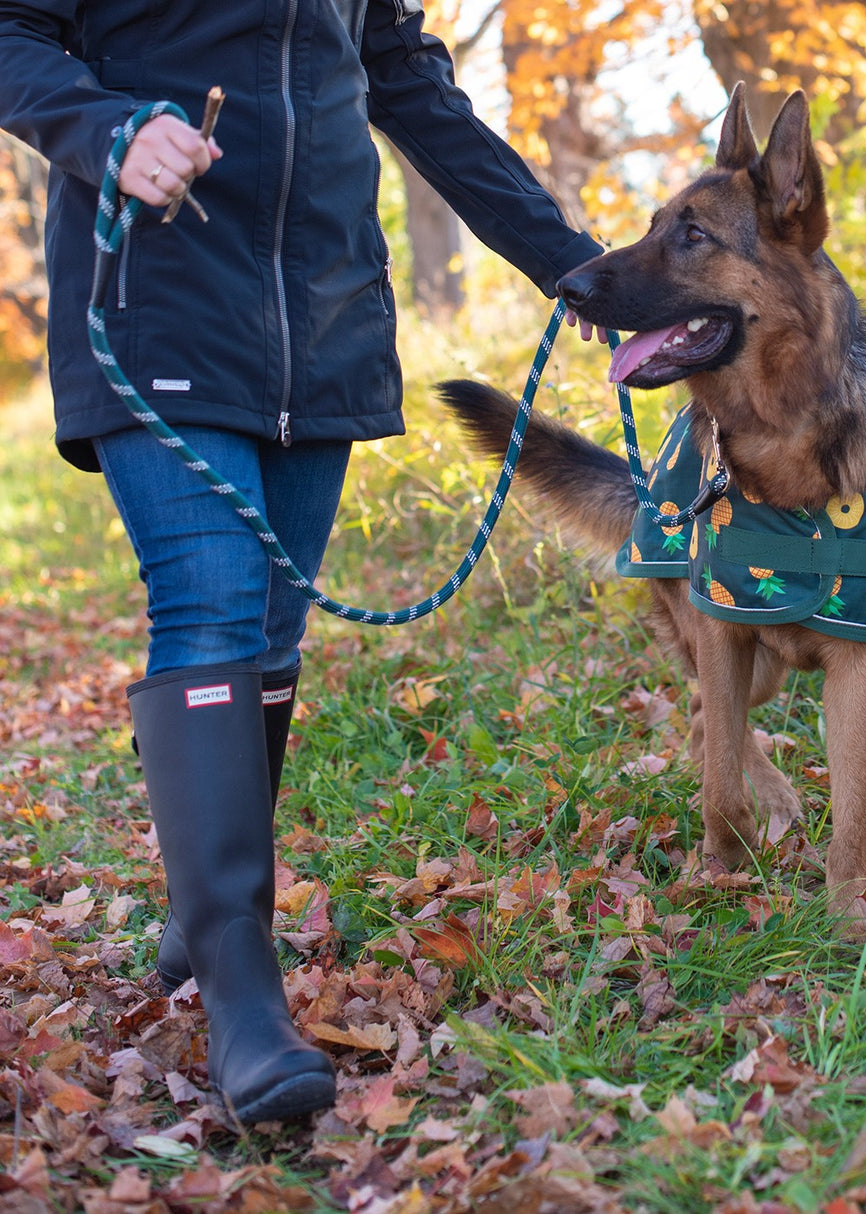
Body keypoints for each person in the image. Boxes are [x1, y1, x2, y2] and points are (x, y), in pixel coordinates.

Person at [0, 0, 603, 1124]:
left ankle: (203, 904)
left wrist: (562, 255)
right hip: (156, 300)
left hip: (323, 315)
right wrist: (108, 128)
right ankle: (240, 985)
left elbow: (405, 80)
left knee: (271, 628)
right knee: (211, 599)